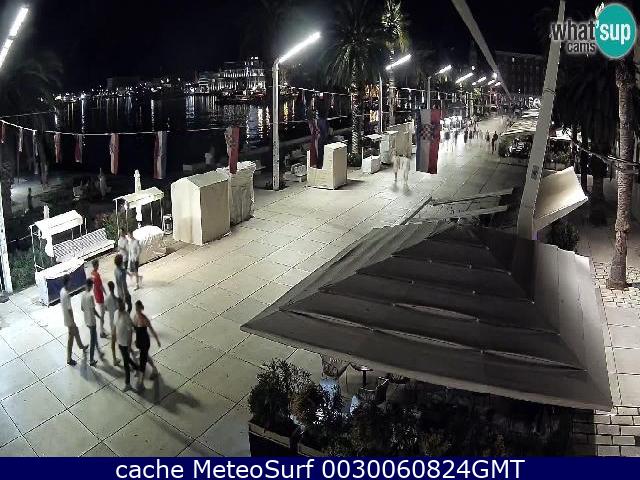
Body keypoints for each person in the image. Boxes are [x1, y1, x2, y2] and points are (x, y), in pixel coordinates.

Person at [60, 274, 87, 366]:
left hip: (66, 318)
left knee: (76, 331)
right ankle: (69, 358)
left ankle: (81, 346)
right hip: (69, 320)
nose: (71, 283)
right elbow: (69, 310)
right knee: (70, 339)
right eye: (70, 281)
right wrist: (73, 321)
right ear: (67, 282)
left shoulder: (62, 291)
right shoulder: (66, 295)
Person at [133, 300, 160, 391]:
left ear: (141, 308)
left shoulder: (144, 319)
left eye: (138, 308)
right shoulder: (135, 317)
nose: (137, 310)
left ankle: (140, 384)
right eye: (136, 308)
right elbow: (135, 330)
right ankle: (154, 369)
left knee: (142, 362)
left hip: (145, 342)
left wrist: (157, 340)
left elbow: (151, 330)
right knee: (146, 357)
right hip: (139, 341)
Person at [115, 299, 137, 392]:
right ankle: (137, 368)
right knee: (127, 359)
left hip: (125, 344)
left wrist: (129, 346)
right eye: (120, 305)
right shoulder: (116, 313)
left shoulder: (126, 316)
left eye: (123, 305)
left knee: (126, 364)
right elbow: (116, 327)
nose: (122, 306)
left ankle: (128, 384)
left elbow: (130, 332)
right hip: (120, 342)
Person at [80, 279, 102, 367]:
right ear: (91, 286)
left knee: (94, 335)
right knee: (92, 340)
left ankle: (99, 351)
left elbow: (82, 308)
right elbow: (93, 310)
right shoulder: (90, 297)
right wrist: (100, 317)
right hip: (92, 321)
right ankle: (92, 360)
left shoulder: (83, 295)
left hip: (86, 320)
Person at [90, 259, 107, 338]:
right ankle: (101, 332)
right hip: (100, 296)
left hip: (96, 294)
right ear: (96, 265)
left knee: (102, 312)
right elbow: (100, 286)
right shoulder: (97, 275)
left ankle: (102, 328)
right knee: (102, 314)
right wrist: (105, 293)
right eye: (98, 264)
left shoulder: (92, 273)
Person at [105, 281, 120, 365]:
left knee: (113, 341)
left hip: (112, 322)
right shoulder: (116, 299)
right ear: (114, 287)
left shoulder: (107, 299)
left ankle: (114, 358)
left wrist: (110, 310)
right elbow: (119, 309)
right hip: (118, 322)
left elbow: (105, 308)